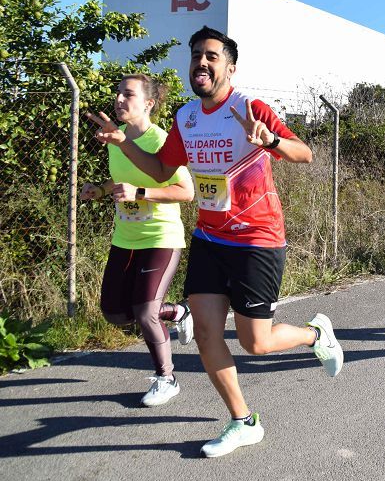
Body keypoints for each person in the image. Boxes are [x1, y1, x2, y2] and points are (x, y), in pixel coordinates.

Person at [87, 26, 342, 458]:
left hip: (257, 238)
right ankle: (244, 422)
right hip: (209, 235)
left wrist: (272, 141)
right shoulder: (185, 117)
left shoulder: (249, 108)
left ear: (230, 67)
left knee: (255, 342)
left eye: (210, 56)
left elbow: (306, 153)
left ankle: (314, 334)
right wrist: (122, 141)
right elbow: (160, 169)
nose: (200, 63)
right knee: (206, 331)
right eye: (195, 56)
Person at [81, 74, 195, 407]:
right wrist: (100, 190)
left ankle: (166, 378)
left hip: (161, 237)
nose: (119, 99)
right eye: (117, 93)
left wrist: (140, 192)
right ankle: (179, 313)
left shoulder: (159, 141)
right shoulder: (118, 139)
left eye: (127, 94)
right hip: (125, 238)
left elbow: (185, 191)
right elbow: (122, 180)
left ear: (147, 103)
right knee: (115, 313)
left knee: (145, 311)